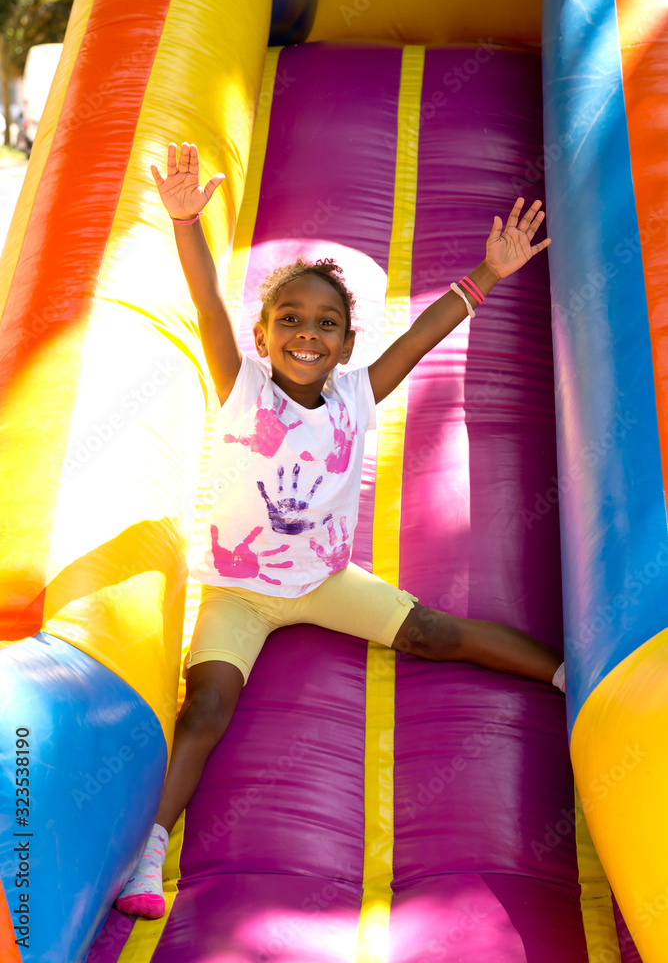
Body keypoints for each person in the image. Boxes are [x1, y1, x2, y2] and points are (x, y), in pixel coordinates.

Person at [116, 141, 565, 920]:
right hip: (239, 591)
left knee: (436, 633)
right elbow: (209, 304)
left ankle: (569, 677)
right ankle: (148, 853)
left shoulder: (357, 394)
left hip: (326, 581)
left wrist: (490, 272)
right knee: (207, 706)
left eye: (326, 324)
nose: (307, 334)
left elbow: (420, 338)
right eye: (289, 320)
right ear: (263, 336)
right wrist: (187, 222)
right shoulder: (242, 387)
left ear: (347, 345)